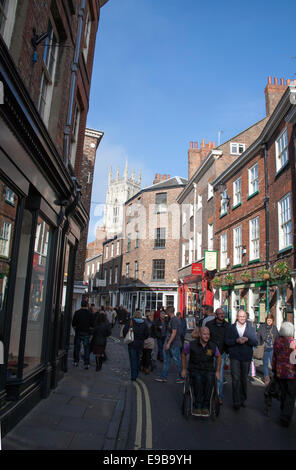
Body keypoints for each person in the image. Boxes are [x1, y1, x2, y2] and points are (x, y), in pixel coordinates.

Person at [181, 327, 221, 417]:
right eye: (204, 334)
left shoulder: (213, 346)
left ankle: (206, 406)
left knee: (210, 379)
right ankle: (197, 406)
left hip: (208, 370)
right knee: (198, 380)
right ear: (200, 335)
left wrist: (218, 371)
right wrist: (183, 369)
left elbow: (219, 356)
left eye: (208, 334)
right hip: (195, 370)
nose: (207, 336)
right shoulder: (191, 345)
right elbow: (183, 353)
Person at [225, 309, 258, 410]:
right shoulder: (231, 328)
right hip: (234, 356)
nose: (242, 318)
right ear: (237, 317)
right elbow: (226, 341)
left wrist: (248, 339)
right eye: (240, 316)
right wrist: (236, 340)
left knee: (244, 378)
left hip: (246, 357)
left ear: (246, 317)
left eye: (244, 316)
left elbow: (255, 342)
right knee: (235, 379)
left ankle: (243, 398)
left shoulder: (250, 328)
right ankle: (236, 401)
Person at [272, 321, 296, 427]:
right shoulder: (293, 343)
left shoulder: (277, 342)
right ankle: (286, 417)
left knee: (283, 393)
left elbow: (274, 357)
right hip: (291, 373)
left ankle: (283, 411)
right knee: (290, 396)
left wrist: (274, 369)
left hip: (280, 372)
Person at [207, 308, 230, 404]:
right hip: (210, 352)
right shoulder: (209, 324)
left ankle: (218, 396)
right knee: (209, 373)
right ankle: (208, 394)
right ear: (216, 315)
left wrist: (227, 351)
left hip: (222, 353)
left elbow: (229, 339)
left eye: (223, 313)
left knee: (219, 375)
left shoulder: (227, 326)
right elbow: (206, 338)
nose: (222, 315)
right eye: (220, 314)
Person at [154, 306, 184, 384]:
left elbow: (174, 333)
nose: (165, 313)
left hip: (174, 344)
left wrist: (169, 343)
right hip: (170, 344)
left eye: (166, 311)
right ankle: (163, 377)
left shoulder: (174, 320)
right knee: (167, 361)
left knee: (177, 361)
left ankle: (181, 377)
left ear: (169, 311)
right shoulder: (171, 319)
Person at [123, 310, 149, 381]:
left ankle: (134, 376)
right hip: (140, 344)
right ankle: (136, 373)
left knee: (133, 359)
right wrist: (142, 338)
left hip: (132, 343)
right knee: (138, 359)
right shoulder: (144, 323)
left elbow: (125, 331)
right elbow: (147, 334)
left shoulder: (130, 321)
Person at [72, 300, 94, 369]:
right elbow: (92, 324)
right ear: (87, 305)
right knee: (86, 348)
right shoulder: (90, 313)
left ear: (81, 305)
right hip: (86, 332)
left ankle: (76, 361)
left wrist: (76, 329)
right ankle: (86, 363)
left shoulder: (77, 313)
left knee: (77, 347)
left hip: (78, 332)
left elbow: (73, 324)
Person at [257, 314, 279, 385]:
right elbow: (258, 336)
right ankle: (266, 377)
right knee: (265, 364)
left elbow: (277, 338)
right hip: (264, 348)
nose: (269, 322)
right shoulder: (262, 327)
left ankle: (273, 377)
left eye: (270, 320)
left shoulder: (274, 328)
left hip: (272, 349)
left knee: (273, 364)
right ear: (266, 320)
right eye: (268, 320)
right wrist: (259, 345)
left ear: (273, 321)